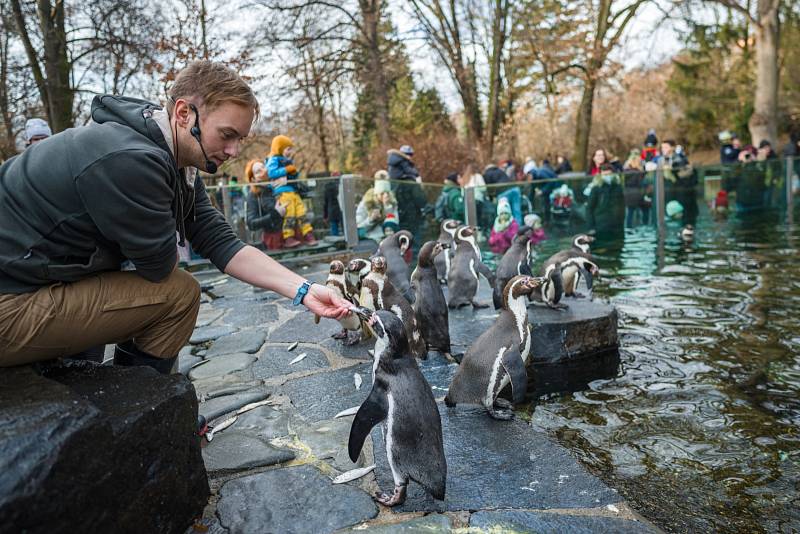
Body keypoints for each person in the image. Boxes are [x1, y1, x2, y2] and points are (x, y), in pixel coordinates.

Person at [0, 60, 350, 371]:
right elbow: (158, 267)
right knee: (178, 295)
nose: (234, 151)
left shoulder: (172, 156)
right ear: (184, 114)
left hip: (35, 280)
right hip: (11, 298)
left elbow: (219, 241)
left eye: (240, 139)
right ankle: (137, 409)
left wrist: (303, 289)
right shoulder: (131, 159)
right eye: (227, 135)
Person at [266, 135, 317, 248]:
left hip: (293, 191)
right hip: (282, 191)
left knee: (301, 212)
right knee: (290, 213)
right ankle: (288, 237)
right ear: (280, 148)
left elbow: (294, 175)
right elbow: (270, 173)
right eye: (288, 149)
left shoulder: (287, 160)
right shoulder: (273, 159)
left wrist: (294, 172)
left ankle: (308, 234)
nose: (290, 152)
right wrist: (286, 169)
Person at [387, 145, 428, 236]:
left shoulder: (393, 165)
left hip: (400, 211)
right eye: (407, 154)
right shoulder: (403, 163)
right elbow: (420, 199)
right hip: (410, 214)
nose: (409, 156)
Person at [245, 159, 285, 250]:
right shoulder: (254, 195)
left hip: (290, 234)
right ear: (253, 179)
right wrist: (275, 214)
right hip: (271, 240)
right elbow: (251, 223)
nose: (263, 171)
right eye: (258, 171)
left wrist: (289, 182)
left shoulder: (279, 186)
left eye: (263, 167)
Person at [658, 139, 698, 225]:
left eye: (666, 147)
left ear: (672, 148)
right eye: (662, 147)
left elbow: (685, 176)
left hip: (681, 194)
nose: (663, 149)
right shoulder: (661, 160)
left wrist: (673, 174)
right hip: (667, 194)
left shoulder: (680, 160)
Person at [356, 170, 399, 241]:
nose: (385, 195)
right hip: (369, 236)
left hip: (387, 235)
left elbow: (395, 224)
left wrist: (387, 207)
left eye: (387, 193)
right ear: (376, 193)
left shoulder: (392, 202)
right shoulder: (367, 202)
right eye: (382, 193)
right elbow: (359, 227)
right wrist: (371, 220)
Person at [587, 163, 625, 235]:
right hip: (600, 225)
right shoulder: (596, 189)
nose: (607, 177)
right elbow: (589, 209)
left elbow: (622, 207)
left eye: (609, 174)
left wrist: (621, 223)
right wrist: (591, 227)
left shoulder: (618, 187)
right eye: (605, 175)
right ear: (601, 175)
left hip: (616, 226)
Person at [622, 151, 651, 226]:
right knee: (645, 210)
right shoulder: (638, 173)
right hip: (638, 194)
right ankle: (645, 225)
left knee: (630, 214)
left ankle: (629, 227)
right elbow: (641, 183)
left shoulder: (625, 172)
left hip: (628, 195)